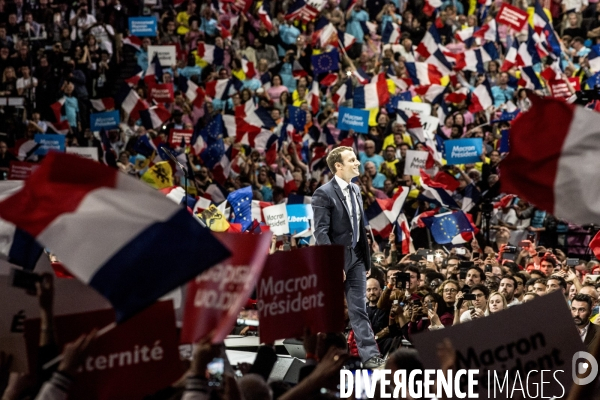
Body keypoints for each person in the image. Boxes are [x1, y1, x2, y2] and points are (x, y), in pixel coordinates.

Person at [311, 146, 383, 368]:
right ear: (338, 166)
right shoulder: (323, 193)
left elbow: (360, 228)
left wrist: (366, 261)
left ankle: (370, 356)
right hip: (334, 258)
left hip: (356, 258)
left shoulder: (356, 190)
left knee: (358, 309)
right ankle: (318, 356)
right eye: (352, 160)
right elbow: (320, 231)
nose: (357, 163)